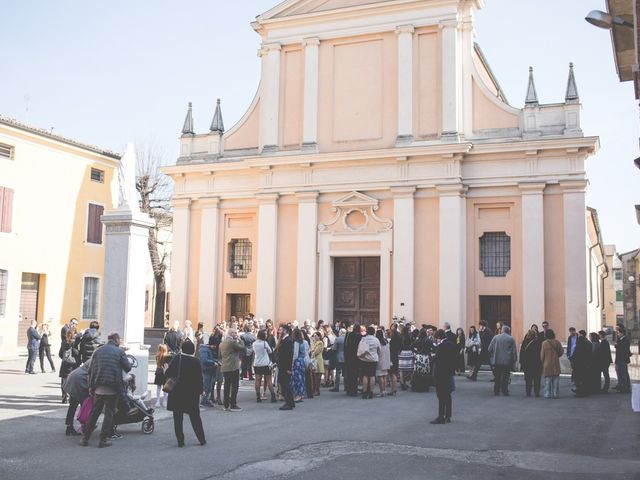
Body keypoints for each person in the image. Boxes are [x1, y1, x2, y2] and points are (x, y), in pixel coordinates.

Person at [79, 332, 131, 448]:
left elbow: (91, 370)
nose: (120, 342)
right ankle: (103, 440)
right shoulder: (119, 352)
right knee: (109, 414)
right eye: (120, 340)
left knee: (94, 413)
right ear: (116, 340)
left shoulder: (98, 351)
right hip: (113, 387)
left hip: (98, 387)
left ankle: (85, 439)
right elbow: (128, 368)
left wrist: (91, 387)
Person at [165, 339, 206, 447]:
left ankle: (180, 441)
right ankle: (201, 439)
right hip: (191, 393)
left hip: (177, 392)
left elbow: (168, 373)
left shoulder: (177, 358)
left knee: (178, 418)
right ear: (192, 350)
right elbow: (199, 378)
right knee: (195, 417)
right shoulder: (196, 361)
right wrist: (201, 391)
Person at [431, 329, 457, 424]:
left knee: (441, 396)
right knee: (447, 395)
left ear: (438, 337)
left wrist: (433, 357)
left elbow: (437, 359)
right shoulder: (451, 344)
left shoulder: (441, 346)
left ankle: (441, 416)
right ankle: (448, 416)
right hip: (449, 373)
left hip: (441, 374)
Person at [219, 328, 246, 411]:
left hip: (225, 366)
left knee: (227, 386)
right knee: (235, 386)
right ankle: (233, 405)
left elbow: (219, 356)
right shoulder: (232, 342)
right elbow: (242, 347)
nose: (236, 334)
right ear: (231, 333)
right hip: (233, 366)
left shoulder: (222, 343)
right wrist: (240, 339)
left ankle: (226, 405)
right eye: (234, 333)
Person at [62, 360, 90, 436]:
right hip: (80, 380)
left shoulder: (95, 356)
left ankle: (69, 427)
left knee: (73, 406)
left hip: (74, 376)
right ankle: (84, 426)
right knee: (85, 406)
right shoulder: (99, 360)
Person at [488, 325, 517, 396]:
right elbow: (514, 352)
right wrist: (514, 360)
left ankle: (496, 390)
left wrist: (493, 356)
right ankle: (505, 391)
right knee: (506, 377)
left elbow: (489, 348)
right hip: (507, 361)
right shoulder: (511, 339)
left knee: (497, 376)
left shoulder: (496, 337)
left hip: (497, 360)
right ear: (508, 331)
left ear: (502, 330)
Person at [357, 325, 381, 399]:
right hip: (373, 359)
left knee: (365, 376)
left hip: (364, 359)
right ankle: (371, 392)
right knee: (372, 376)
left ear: (367, 332)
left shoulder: (363, 339)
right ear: (374, 332)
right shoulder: (376, 340)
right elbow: (379, 350)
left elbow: (359, 348)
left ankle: (364, 392)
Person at [253, 329, 276, 403]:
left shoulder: (254, 343)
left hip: (257, 363)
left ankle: (258, 396)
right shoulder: (264, 343)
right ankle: (273, 396)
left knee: (257, 380)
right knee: (269, 380)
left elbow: (254, 352)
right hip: (265, 363)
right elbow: (270, 351)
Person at [540, 329, 563, 399]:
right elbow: (561, 351)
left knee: (548, 381)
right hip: (555, 363)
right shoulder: (557, 342)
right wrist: (557, 356)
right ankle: (555, 394)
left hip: (547, 364)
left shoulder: (544, 343)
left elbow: (542, 355)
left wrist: (543, 362)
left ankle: (547, 394)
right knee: (556, 380)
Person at [59, 328, 80, 403]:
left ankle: (64, 396)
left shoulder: (64, 342)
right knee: (73, 382)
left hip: (65, 365)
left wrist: (66, 359)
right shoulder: (76, 343)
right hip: (74, 366)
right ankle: (71, 397)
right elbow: (77, 354)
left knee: (64, 381)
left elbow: (60, 354)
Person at [519, 328, 542, 397]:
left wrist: (521, 363)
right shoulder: (538, 342)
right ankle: (536, 392)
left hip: (527, 364)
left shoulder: (524, 342)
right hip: (536, 364)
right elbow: (540, 353)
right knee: (537, 379)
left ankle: (528, 392)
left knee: (528, 379)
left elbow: (522, 353)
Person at [277, 325, 295, 410]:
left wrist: (289, 369)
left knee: (285, 386)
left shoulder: (288, 341)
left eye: (281, 330)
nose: (279, 331)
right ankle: (290, 402)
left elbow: (289, 356)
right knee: (284, 385)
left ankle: (289, 403)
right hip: (282, 366)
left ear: (286, 331)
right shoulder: (284, 340)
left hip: (285, 367)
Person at [343, 323, 362, 396]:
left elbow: (345, 346)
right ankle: (354, 390)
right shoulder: (360, 336)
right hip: (357, 358)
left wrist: (345, 356)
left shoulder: (349, 335)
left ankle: (349, 390)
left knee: (349, 374)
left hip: (349, 357)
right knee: (355, 374)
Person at [199, 336, 218, 407]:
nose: (215, 347)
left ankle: (205, 400)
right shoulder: (205, 350)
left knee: (208, 386)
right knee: (206, 386)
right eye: (215, 345)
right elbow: (204, 360)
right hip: (206, 370)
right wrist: (213, 362)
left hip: (209, 370)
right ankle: (203, 401)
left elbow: (209, 358)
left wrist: (215, 361)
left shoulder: (207, 349)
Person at [572, 330, 592, 397]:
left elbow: (574, 357)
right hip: (584, 365)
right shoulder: (587, 344)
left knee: (578, 379)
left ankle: (579, 392)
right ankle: (584, 391)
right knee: (583, 379)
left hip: (578, 366)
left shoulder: (577, 348)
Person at [291, 328, 308, 402]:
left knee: (297, 378)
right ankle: (301, 393)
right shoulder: (304, 342)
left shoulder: (296, 342)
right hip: (303, 361)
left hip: (297, 361)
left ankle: (298, 394)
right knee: (302, 378)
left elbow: (295, 354)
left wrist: (292, 363)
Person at [614, 324, 631, 393]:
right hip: (619, 359)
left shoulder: (625, 339)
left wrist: (617, 346)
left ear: (622, 333)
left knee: (623, 374)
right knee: (620, 373)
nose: (617, 334)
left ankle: (625, 387)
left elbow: (624, 349)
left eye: (618, 333)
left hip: (622, 359)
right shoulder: (621, 339)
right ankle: (621, 386)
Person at [153, 344, 171, 408]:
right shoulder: (167, 356)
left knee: (158, 387)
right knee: (165, 388)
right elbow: (167, 365)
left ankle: (157, 401)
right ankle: (164, 401)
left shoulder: (157, 356)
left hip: (158, 372)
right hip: (165, 373)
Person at [398, 325, 414, 391]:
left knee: (401, 370)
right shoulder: (410, 337)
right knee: (410, 369)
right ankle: (410, 382)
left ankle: (402, 383)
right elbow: (412, 345)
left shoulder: (400, 337)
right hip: (409, 353)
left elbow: (399, 345)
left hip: (402, 353)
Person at [375, 328, 391, 397]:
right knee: (384, 376)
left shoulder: (378, 342)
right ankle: (384, 391)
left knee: (380, 376)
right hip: (386, 360)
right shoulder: (386, 341)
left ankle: (382, 391)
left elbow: (377, 351)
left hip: (380, 360)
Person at [330, 328, 346, 392]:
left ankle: (336, 387)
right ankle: (346, 387)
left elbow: (334, 348)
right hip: (345, 357)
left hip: (339, 356)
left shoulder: (338, 339)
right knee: (345, 373)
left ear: (340, 332)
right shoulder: (347, 339)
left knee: (338, 372)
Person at [309, 332, 325, 396]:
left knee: (317, 377)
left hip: (318, 360)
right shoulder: (314, 343)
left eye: (316, 336)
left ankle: (317, 390)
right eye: (314, 336)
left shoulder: (320, 343)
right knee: (313, 376)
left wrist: (311, 352)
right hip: (314, 360)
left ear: (319, 336)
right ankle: (314, 390)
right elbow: (311, 350)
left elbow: (316, 352)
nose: (315, 337)